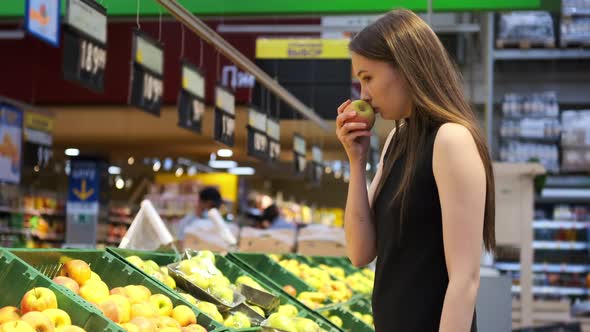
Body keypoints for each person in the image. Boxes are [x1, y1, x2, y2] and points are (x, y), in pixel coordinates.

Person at [335, 9, 495, 332]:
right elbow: (359, 251)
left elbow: (464, 280)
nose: (363, 94)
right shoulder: (398, 139)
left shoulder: (451, 140)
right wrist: (356, 160)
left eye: (368, 78)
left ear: (405, 67)